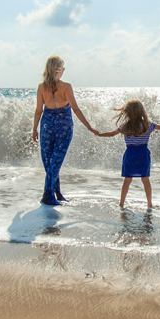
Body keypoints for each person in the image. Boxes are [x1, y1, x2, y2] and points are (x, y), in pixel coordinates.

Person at [32, 56, 96, 206]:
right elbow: (75, 108)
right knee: (55, 161)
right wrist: (89, 126)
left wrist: (34, 128)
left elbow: (38, 111)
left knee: (50, 161)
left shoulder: (42, 87)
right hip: (64, 125)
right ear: (60, 71)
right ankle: (48, 195)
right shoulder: (66, 86)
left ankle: (56, 193)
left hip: (47, 124)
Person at [95, 99, 160, 209]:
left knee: (127, 180)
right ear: (141, 111)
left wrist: (99, 134)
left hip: (130, 154)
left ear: (127, 112)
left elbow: (112, 134)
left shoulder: (125, 126)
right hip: (142, 155)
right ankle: (149, 204)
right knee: (145, 180)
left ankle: (121, 204)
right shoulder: (147, 125)